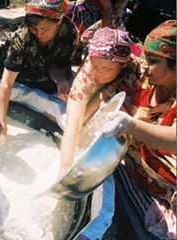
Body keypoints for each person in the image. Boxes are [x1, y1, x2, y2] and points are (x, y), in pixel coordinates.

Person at [103, 20, 176, 240]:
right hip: (137, 174)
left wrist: (131, 124)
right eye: (145, 58)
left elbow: (172, 139)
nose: (145, 65)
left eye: (153, 61)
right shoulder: (140, 80)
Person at [59, 27, 142, 174]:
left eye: (107, 68)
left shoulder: (137, 72)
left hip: (123, 90)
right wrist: (65, 168)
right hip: (100, 90)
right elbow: (73, 121)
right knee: (80, 120)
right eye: (95, 66)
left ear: (122, 65)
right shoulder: (88, 73)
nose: (98, 73)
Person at [0, 0, 78, 140]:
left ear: (58, 22)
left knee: (58, 92)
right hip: (23, 71)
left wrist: (61, 80)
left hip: (46, 72)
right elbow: (6, 84)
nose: (39, 33)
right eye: (34, 28)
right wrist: (2, 120)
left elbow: (57, 66)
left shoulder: (69, 32)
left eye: (44, 29)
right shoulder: (22, 37)